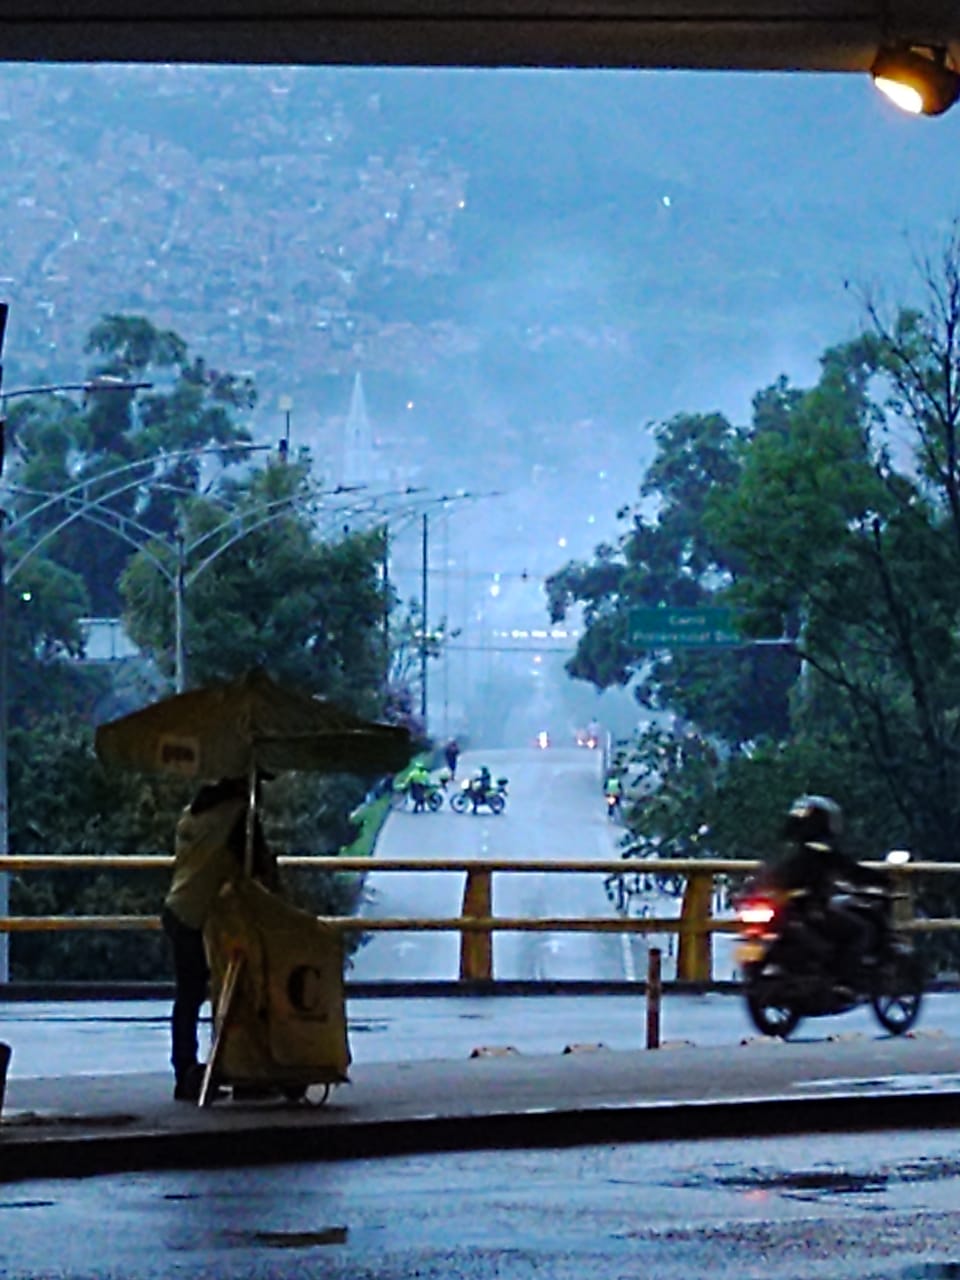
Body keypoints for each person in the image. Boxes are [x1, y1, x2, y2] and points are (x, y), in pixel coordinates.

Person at [161, 775, 278, 1102]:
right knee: (233, 990)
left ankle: (185, 1070)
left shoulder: (194, 812)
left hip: (178, 907)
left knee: (190, 995)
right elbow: (257, 868)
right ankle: (240, 1069)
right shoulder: (238, 816)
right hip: (198, 915)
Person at [757, 794, 889, 986]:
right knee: (861, 931)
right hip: (809, 911)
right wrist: (883, 880)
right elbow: (850, 870)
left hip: (785, 911)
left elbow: (763, 875)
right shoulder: (819, 851)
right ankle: (845, 981)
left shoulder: (783, 849)